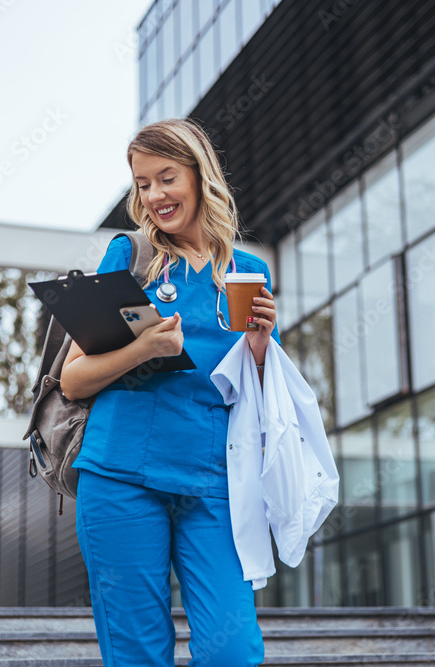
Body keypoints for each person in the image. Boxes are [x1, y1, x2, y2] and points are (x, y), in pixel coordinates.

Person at [59, 117, 278, 667]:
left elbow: (254, 392)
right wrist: (144, 349)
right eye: (142, 183)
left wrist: (260, 342)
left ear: (200, 177)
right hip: (121, 476)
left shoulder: (246, 270)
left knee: (233, 651)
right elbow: (72, 378)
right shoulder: (131, 257)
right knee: (137, 654)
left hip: (214, 483)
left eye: (166, 178)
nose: (154, 195)